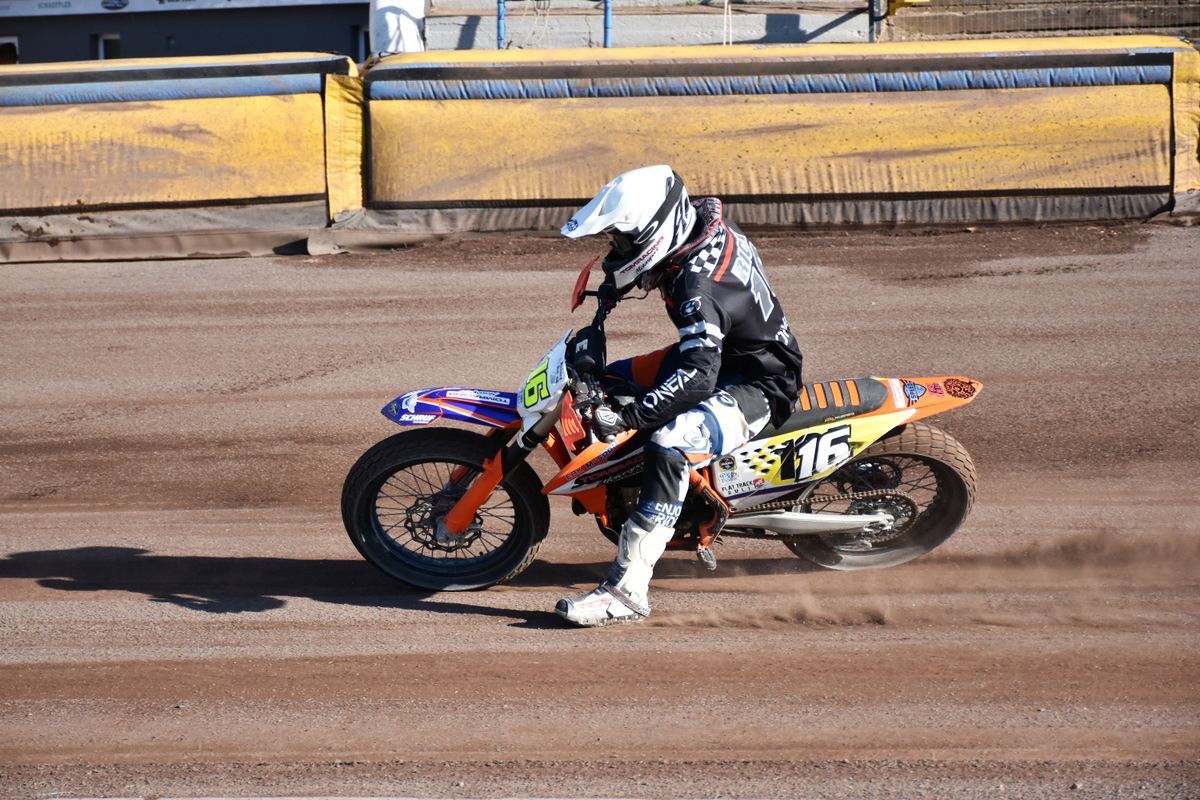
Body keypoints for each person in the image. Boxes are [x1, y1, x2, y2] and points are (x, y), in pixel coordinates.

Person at [555, 165, 804, 627]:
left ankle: (627, 593)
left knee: (666, 443)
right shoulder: (703, 227)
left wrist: (634, 417)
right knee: (611, 380)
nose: (616, 249)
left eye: (622, 240)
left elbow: (696, 379)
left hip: (756, 382)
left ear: (658, 229)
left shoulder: (698, 288)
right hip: (730, 355)